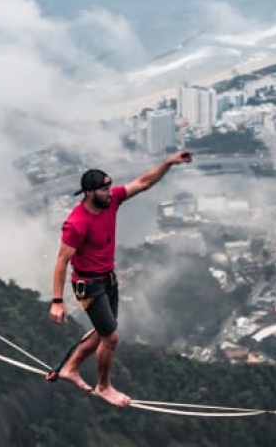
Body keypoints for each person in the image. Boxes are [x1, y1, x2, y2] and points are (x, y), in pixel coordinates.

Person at [48, 150, 193, 407]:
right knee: (110, 337)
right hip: (88, 285)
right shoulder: (77, 223)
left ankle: (70, 368)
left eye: (109, 188)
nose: (110, 192)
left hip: (108, 279)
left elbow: (143, 182)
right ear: (90, 193)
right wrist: (57, 301)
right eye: (104, 189)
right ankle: (104, 387)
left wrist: (169, 163)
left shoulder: (112, 201)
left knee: (102, 332)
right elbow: (62, 261)